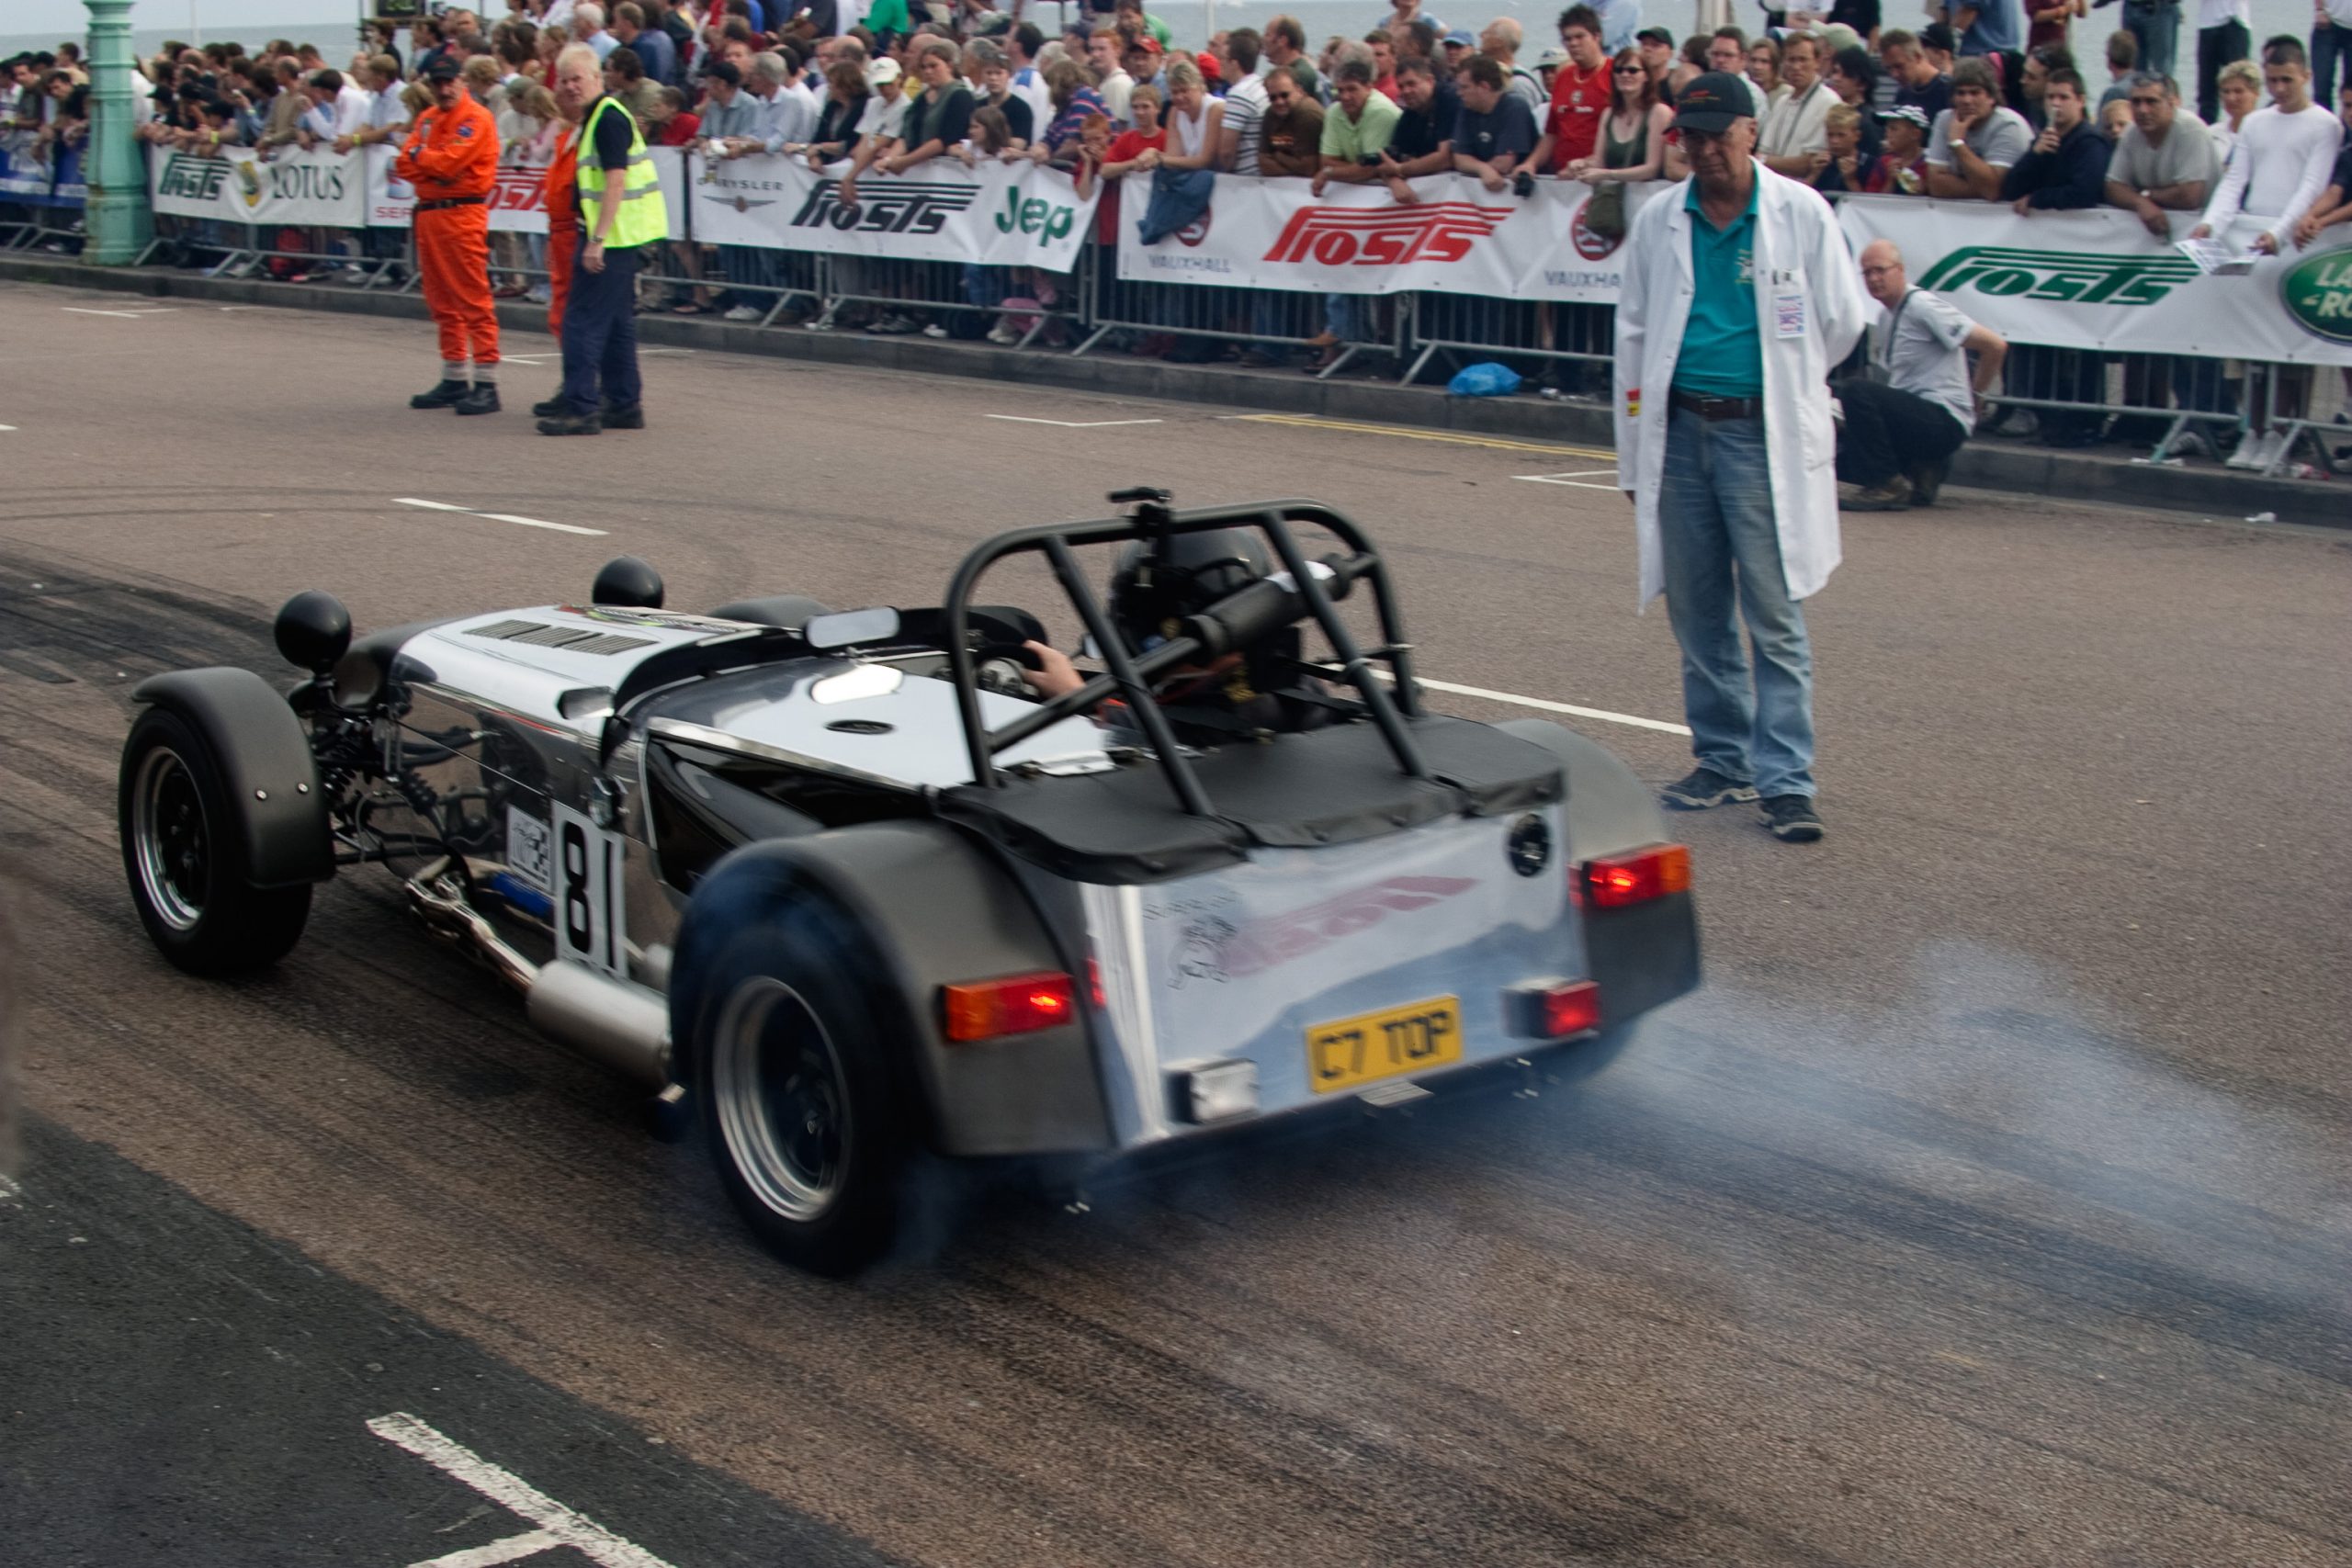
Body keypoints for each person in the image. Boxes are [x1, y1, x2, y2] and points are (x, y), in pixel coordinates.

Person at [1613, 72, 1871, 843]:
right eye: (1690, 137)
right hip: (1682, 431)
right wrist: (1634, 454)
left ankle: (1787, 778)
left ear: (1750, 132)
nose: (1703, 150)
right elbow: (1630, 340)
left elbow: (1842, 321)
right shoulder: (1663, 218)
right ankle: (1723, 759)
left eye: (1716, 135)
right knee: (1697, 609)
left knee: (1773, 610)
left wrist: (1786, 386)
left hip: (1761, 436)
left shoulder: (1801, 213)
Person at [541, 43, 660, 435]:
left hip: (610, 237)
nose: (571, 87)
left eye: (577, 78)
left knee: (581, 323)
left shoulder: (607, 119)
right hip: (623, 236)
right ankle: (624, 404)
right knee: (616, 325)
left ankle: (581, 407)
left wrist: (597, 239)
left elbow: (616, 178)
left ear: (597, 77)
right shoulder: (599, 117)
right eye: (565, 80)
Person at [1837, 245, 2007, 509]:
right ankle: (1922, 469)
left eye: (1880, 270)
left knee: (1855, 391)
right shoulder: (1885, 317)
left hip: (1942, 418)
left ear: (1900, 271)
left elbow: (1994, 345)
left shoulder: (1922, 305)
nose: (1873, 279)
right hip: (1916, 417)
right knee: (1836, 460)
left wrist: (1978, 397)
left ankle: (1888, 484)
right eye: (1867, 273)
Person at [398, 57, 503, 416]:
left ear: (462, 81)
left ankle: (487, 382)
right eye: (437, 82)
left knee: (473, 299)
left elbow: (449, 164)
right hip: (431, 212)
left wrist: (424, 161)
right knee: (440, 301)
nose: (443, 89)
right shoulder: (428, 118)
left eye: (448, 81)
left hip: (462, 213)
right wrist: (429, 163)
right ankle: (455, 375)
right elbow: (404, 163)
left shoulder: (476, 118)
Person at [2191, 36, 2346, 254]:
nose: (2279, 89)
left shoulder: (2326, 125)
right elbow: (2234, 181)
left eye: (2287, 80)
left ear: (2306, 77)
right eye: (2272, 81)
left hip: (2293, 234)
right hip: (2253, 228)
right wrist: (2210, 223)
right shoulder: (2254, 121)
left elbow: (2312, 186)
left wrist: (2279, 232)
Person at [2105, 70, 2221, 234]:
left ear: (2171, 104)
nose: (2143, 110)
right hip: (2159, 228)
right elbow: (2112, 187)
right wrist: (2140, 202)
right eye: (2136, 102)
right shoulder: (2131, 133)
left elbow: (2190, 196)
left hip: (2201, 228)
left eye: (2151, 102)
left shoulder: (2190, 129)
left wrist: (2145, 195)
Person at [1926, 57, 2034, 197]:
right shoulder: (1945, 119)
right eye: (1960, 93)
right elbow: (1935, 184)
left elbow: (1993, 190)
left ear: (1992, 97)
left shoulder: (2009, 125)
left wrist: (1957, 144)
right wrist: (1981, 189)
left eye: (1975, 93)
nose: (1967, 100)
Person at [1532, 4, 1615, 173]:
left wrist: (1585, 164)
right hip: (1561, 179)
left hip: (1597, 175)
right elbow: (1551, 134)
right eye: (1568, 39)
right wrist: (1530, 164)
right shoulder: (1563, 76)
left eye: (1580, 37)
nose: (1573, 44)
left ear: (1596, 36)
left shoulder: (1615, 73)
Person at [1758, 31, 1836, 175]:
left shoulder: (1828, 102)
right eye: (1791, 60)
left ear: (1817, 62)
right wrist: (1762, 159)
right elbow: (1763, 150)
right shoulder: (1781, 102)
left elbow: (1809, 162)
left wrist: (1763, 161)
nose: (1796, 66)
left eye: (1803, 60)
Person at [2195, 0, 2250, 122]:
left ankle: (2239, 130)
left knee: (2239, 84)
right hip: (2208, 23)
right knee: (2206, 88)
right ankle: (2207, 131)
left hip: (2237, 21)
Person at [1866, 101, 1931, 188]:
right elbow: (1871, 199)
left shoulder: (1930, 164)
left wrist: (1925, 189)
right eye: (1887, 128)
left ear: (1915, 134)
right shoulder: (1883, 163)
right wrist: (1890, 181)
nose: (1887, 134)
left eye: (1893, 129)